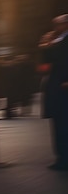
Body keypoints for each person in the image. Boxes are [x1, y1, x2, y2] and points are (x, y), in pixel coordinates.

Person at [39, 14, 68, 171]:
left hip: (63, 87)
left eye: (59, 24)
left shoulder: (63, 41)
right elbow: (47, 61)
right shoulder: (57, 40)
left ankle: (64, 158)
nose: (56, 27)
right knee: (59, 124)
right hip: (58, 87)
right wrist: (45, 44)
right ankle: (62, 157)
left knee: (63, 124)